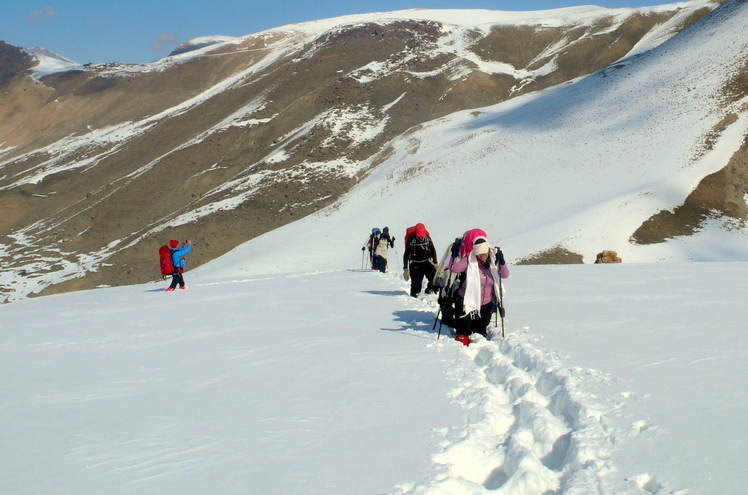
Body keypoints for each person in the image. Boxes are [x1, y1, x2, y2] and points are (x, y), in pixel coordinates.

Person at [449, 234, 509, 345]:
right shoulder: (469, 260)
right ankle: (463, 343)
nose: (482, 256)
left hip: (486, 303)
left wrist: (502, 262)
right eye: (479, 254)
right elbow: (455, 268)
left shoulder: (493, 260)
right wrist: (454, 254)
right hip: (467, 301)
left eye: (484, 253)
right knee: (464, 330)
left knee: (480, 330)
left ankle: (478, 342)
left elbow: (504, 275)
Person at [403, 223, 438, 297]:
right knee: (416, 284)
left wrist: (435, 263)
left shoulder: (427, 239)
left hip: (426, 262)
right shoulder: (411, 240)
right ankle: (414, 297)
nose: (421, 237)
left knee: (434, 278)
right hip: (415, 264)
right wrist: (405, 268)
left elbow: (433, 250)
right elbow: (406, 254)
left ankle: (429, 292)